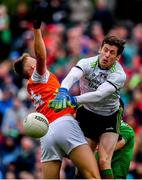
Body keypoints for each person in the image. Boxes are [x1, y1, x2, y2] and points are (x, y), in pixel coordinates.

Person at [13, 4, 100, 179]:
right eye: (32, 60)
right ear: (31, 67)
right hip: (62, 123)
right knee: (92, 176)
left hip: (46, 134)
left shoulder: (32, 87)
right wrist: (37, 29)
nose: (36, 61)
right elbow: (41, 56)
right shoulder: (38, 76)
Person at [49, 35, 126, 178]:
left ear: (118, 57)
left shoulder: (119, 74)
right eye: (105, 50)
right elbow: (72, 76)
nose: (107, 55)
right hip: (87, 114)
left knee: (104, 161)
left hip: (109, 116)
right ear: (100, 49)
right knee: (83, 164)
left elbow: (99, 95)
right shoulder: (86, 63)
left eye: (112, 52)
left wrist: (73, 100)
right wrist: (63, 90)